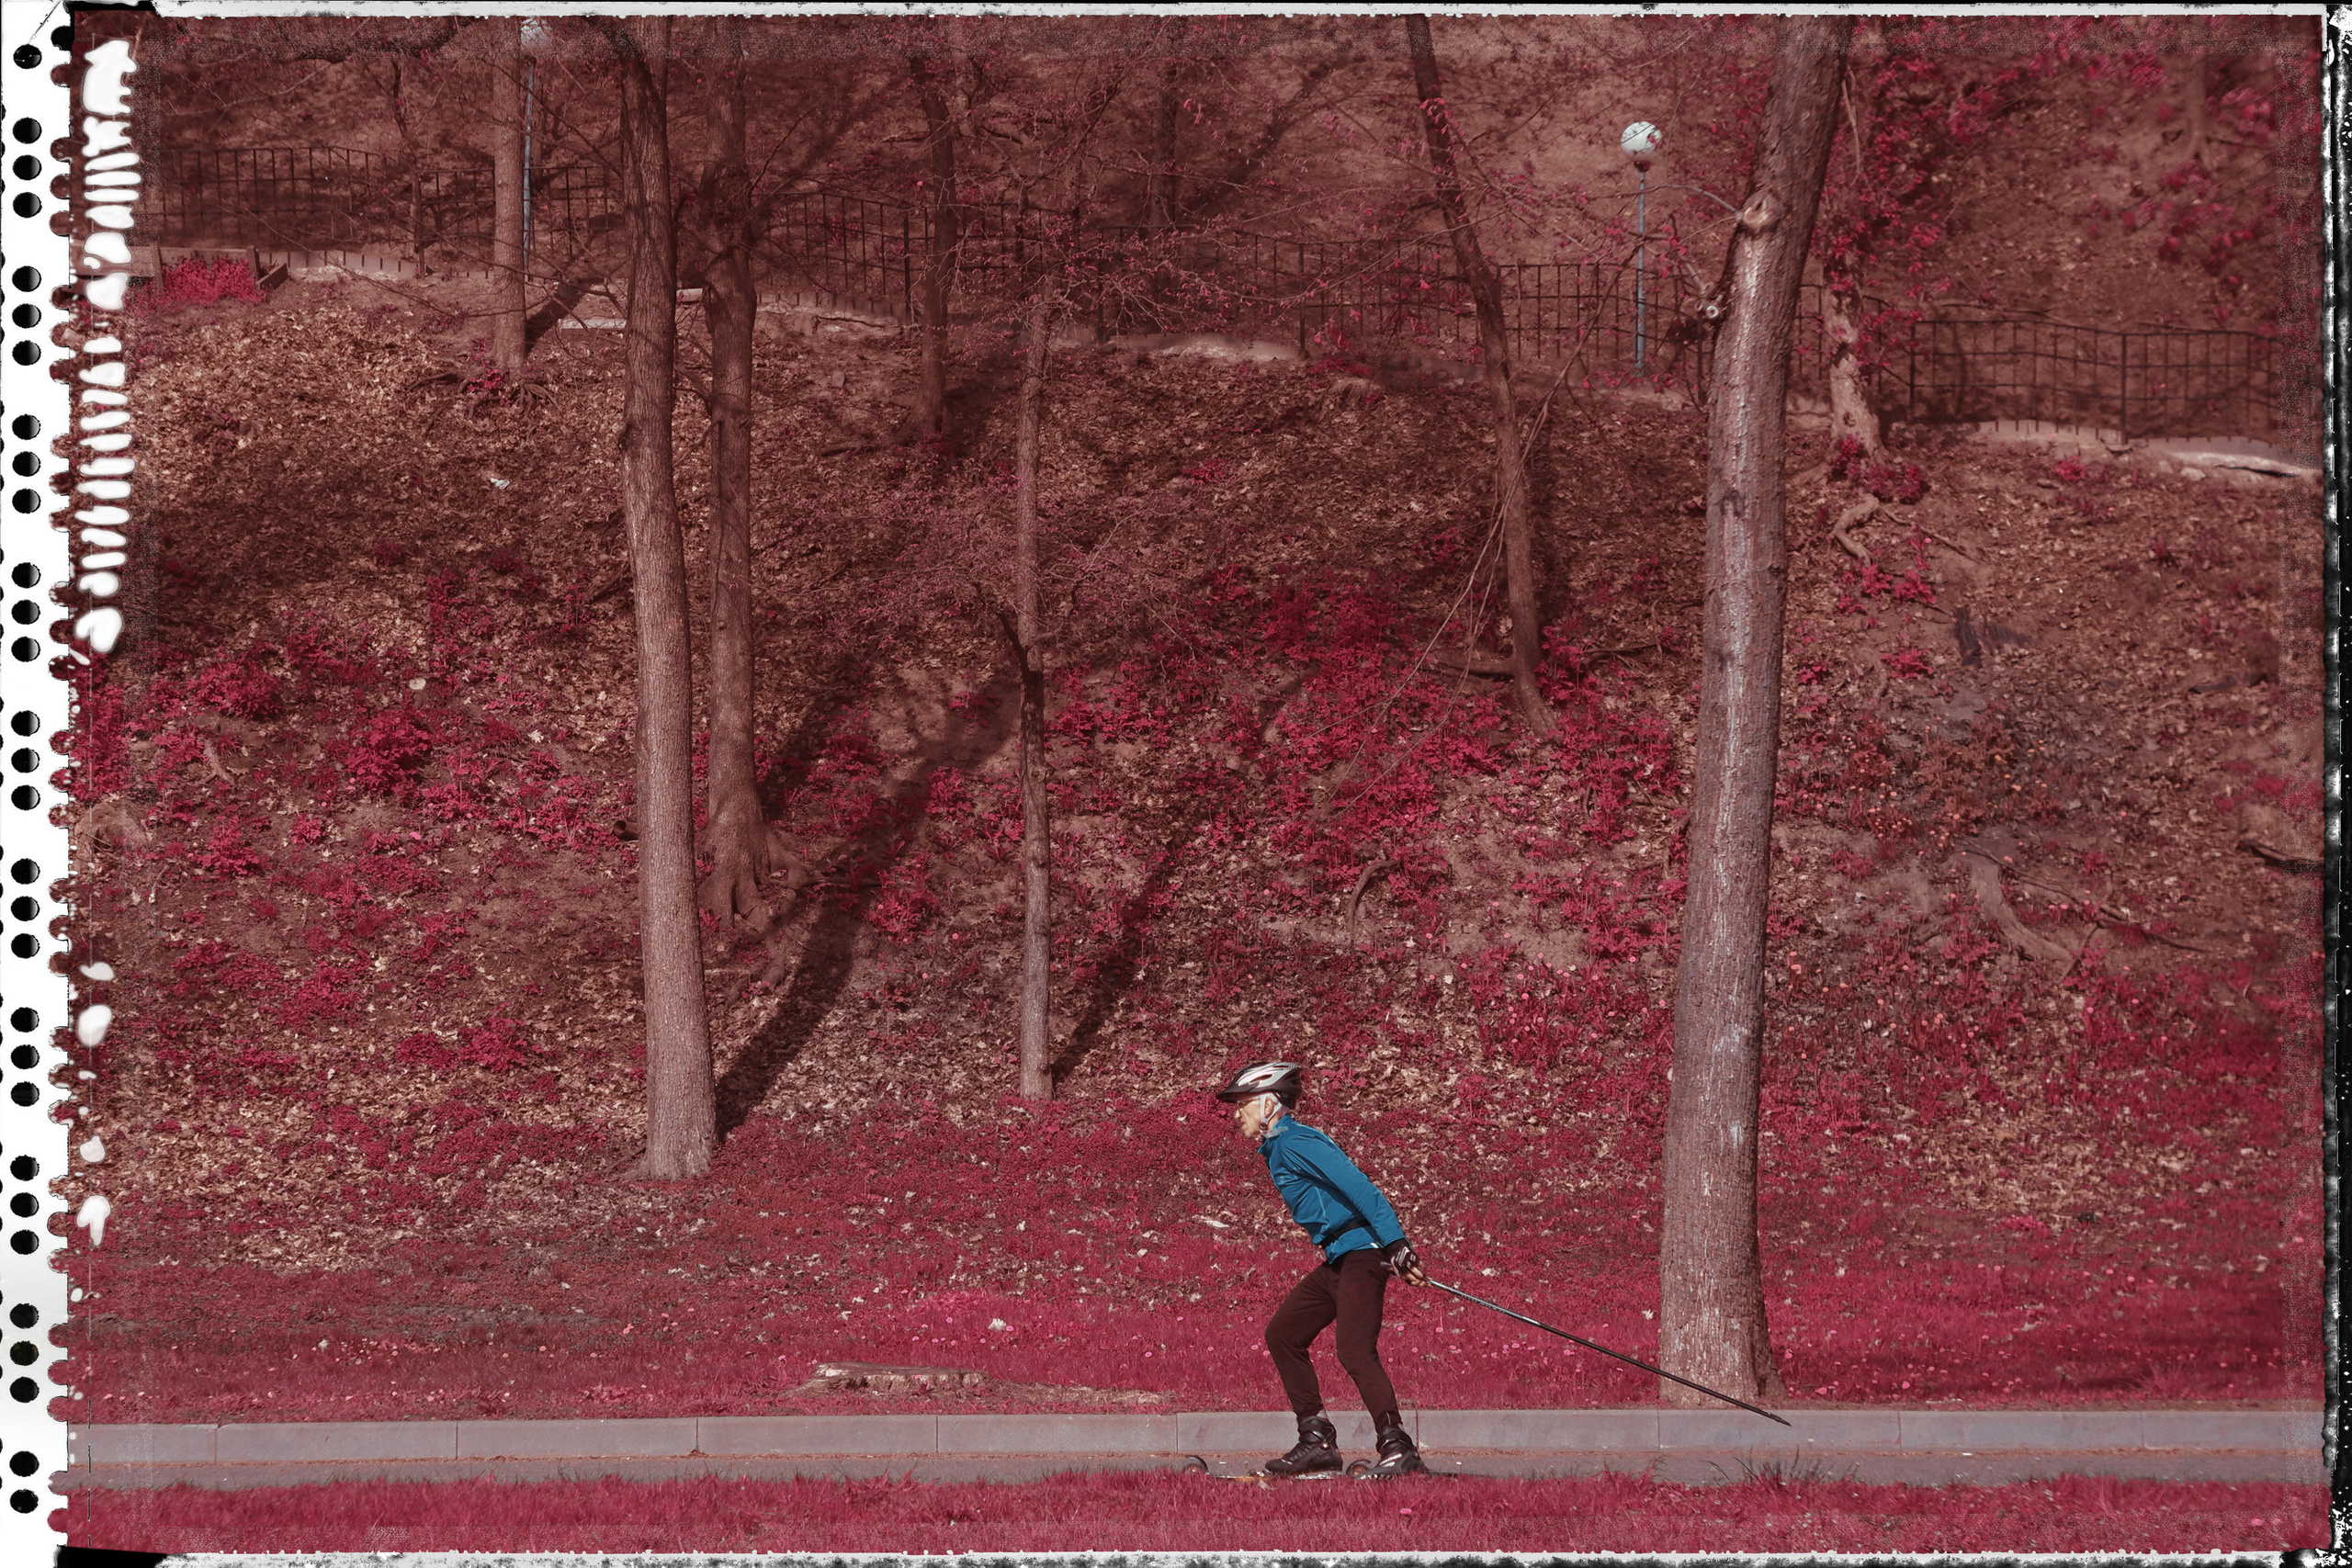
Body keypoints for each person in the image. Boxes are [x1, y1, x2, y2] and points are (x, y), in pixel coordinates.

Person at [1216, 1059, 1429, 1478]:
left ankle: (1397, 1446)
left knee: (1353, 1349)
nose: (1236, 1114)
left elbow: (1362, 1189)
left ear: (1268, 1103)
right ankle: (1317, 1440)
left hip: (1363, 1254)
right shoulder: (1278, 1145)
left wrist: (1397, 1244)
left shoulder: (1297, 1142)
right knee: (1284, 1334)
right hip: (1338, 1257)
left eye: (1242, 1104)